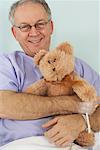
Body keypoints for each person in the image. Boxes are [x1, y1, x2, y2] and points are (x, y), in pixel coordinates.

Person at [0, 0, 100, 148]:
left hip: (75, 144)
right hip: (25, 144)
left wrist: (83, 121)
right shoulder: (7, 63)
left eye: (40, 24)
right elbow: (3, 105)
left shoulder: (75, 65)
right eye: (25, 27)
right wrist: (72, 105)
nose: (34, 32)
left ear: (51, 26)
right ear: (15, 33)